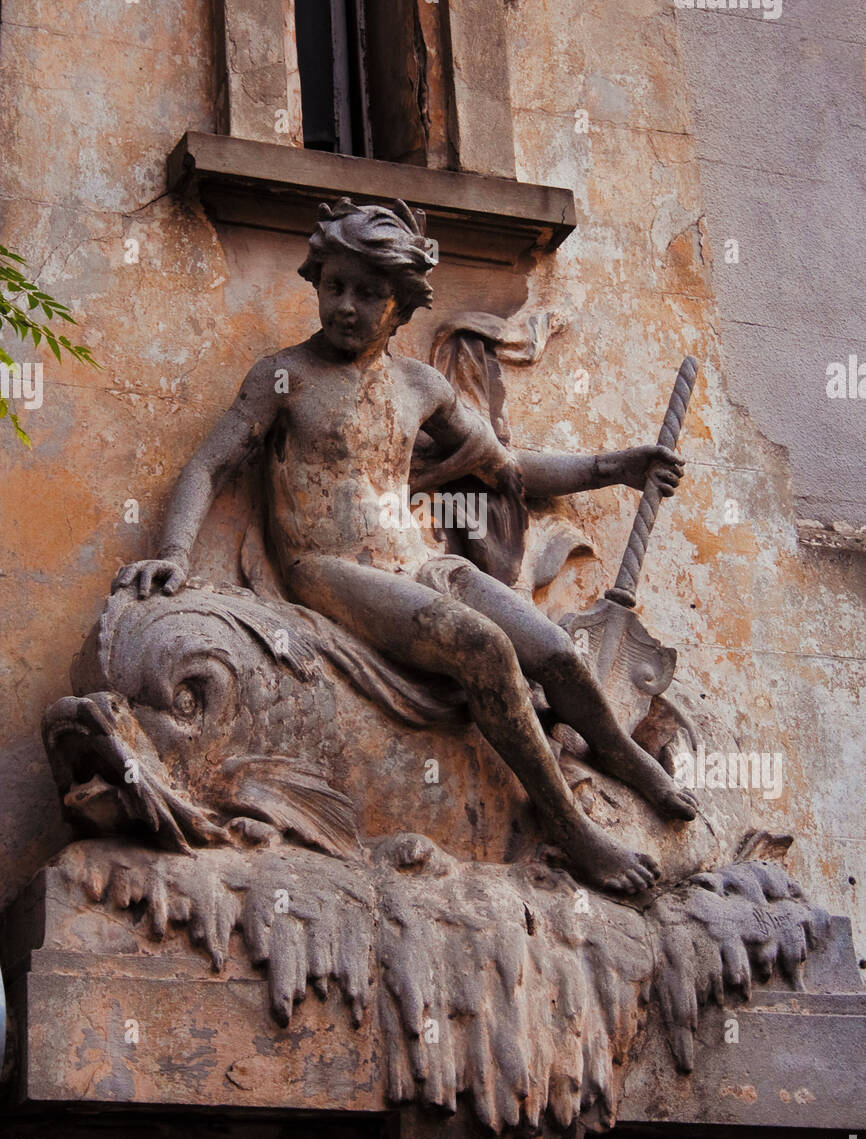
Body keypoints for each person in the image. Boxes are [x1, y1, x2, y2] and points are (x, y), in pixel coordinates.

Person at [115, 198, 694, 894]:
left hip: (421, 563)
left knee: (557, 653)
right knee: (482, 649)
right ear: (318, 282)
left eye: (369, 292)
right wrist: (175, 552)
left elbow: (506, 469)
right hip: (329, 568)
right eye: (335, 285)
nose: (347, 306)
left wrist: (613, 468)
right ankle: (571, 830)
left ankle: (621, 753)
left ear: (402, 305)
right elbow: (210, 463)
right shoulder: (284, 376)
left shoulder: (420, 386)